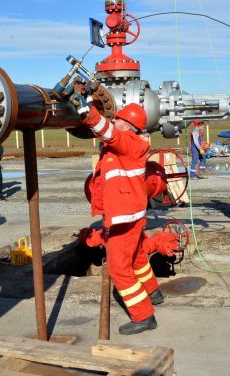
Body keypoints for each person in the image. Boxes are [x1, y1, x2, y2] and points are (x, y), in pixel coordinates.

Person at [75, 85, 161, 335]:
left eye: (120, 119)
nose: (116, 121)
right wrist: (90, 96)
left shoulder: (129, 142)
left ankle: (144, 315)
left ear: (129, 125)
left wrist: (88, 111)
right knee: (135, 258)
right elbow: (109, 138)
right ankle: (153, 292)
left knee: (118, 269)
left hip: (123, 217)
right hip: (130, 214)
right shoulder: (126, 144)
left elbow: (109, 133)